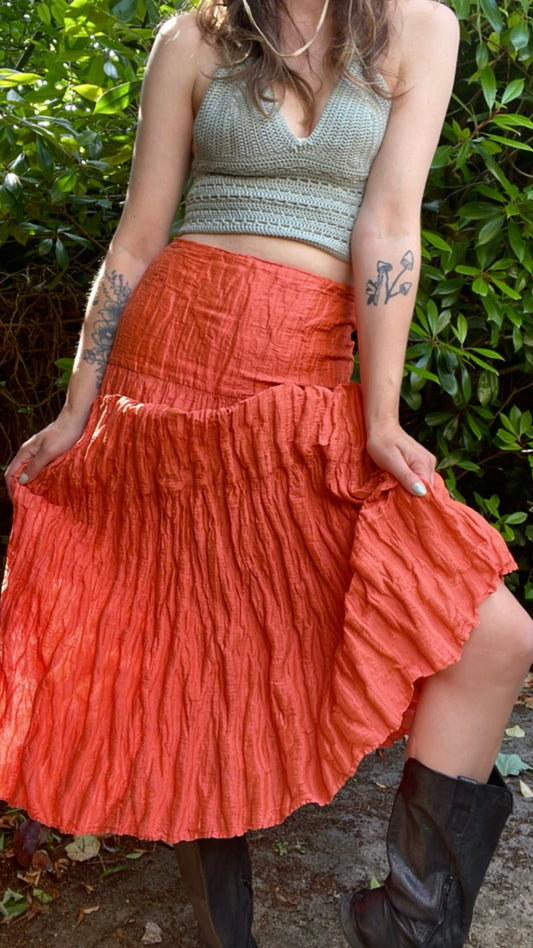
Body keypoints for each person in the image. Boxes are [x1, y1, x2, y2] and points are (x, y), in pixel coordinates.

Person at [2, 0, 532, 945]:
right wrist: (78, 406)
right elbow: (137, 237)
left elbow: (389, 224)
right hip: (168, 365)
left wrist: (379, 415)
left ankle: (409, 925)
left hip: (304, 371)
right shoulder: (193, 38)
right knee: (184, 633)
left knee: (492, 637)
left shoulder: (419, 27)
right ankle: (222, 911)